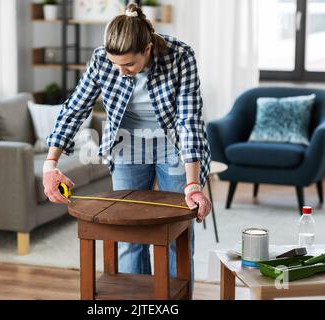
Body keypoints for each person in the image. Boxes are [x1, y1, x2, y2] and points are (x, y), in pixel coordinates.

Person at [42, 3, 212, 292]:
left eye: (129, 65)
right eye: (115, 64)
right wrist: (50, 164)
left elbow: (189, 121)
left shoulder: (180, 56)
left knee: (176, 232)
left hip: (174, 144)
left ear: (147, 49)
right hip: (127, 144)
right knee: (129, 232)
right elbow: (75, 109)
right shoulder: (100, 60)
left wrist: (193, 183)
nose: (121, 72)